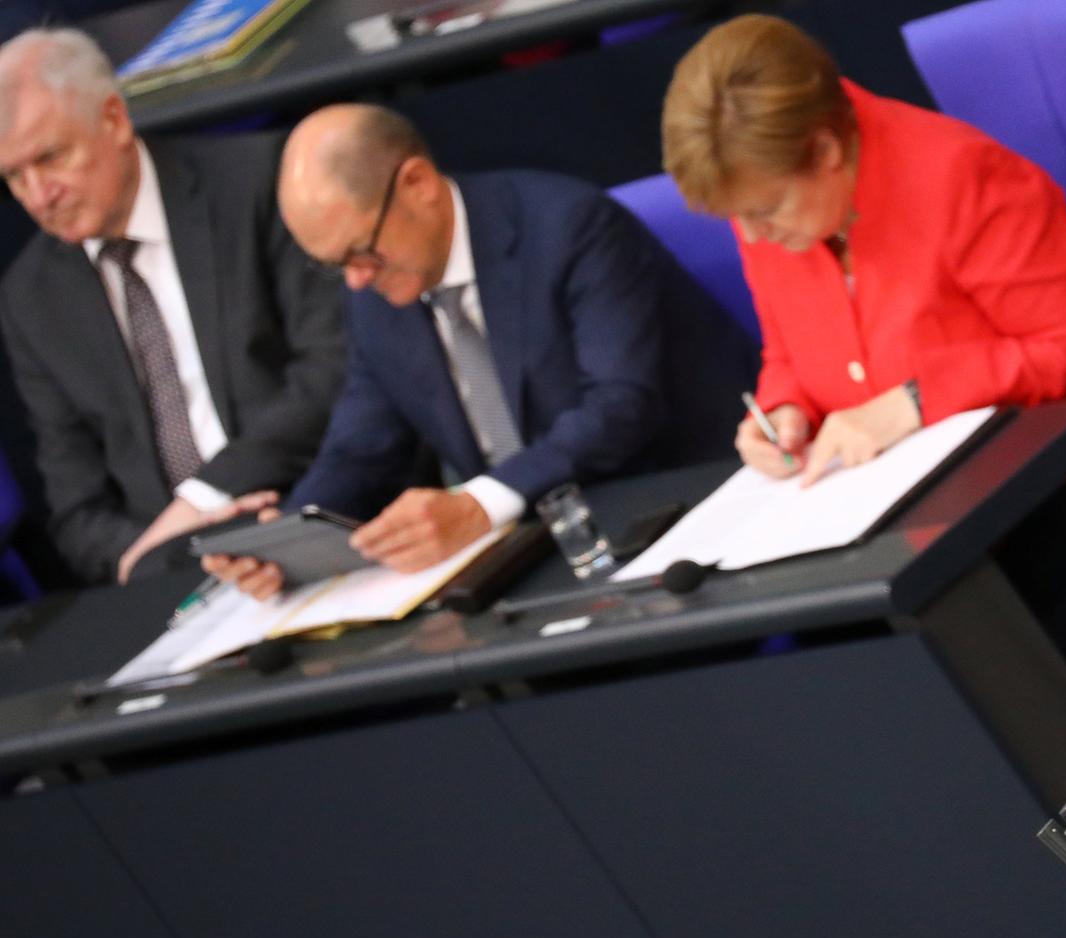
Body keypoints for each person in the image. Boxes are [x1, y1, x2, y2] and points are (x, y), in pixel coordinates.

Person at [659, 14, 1066, 681]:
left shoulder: (959, 176)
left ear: (825, 150)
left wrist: (912, 401)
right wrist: (783, 409)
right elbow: (788, 349)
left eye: (764, 212)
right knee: (849, 644)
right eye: (737, 218)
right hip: (969, 485)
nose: (752, 236)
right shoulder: (771, 194)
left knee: (989, 648)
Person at [209, 104, 757, 599]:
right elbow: (361, 446)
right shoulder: (375, 296)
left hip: (672, 513)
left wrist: (479, 504)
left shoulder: (569, 226)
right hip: (528, 549)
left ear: (417, 183)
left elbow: (619, 405)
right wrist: (289, 540)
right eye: (334, 265)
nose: (354, 280)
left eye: (360, 252)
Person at [0, 28, 346, 585]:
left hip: (314, 505)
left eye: (51, 157)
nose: (39, 196)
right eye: (14, 176)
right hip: (174, 573)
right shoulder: (31, 296)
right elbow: (76, 507)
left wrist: (206, 500)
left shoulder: (258, 184)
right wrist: (165, 555)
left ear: (114, 120)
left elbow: (332, 375)